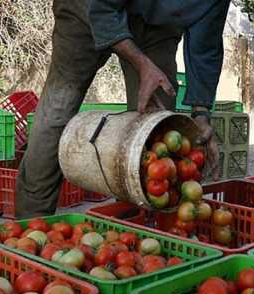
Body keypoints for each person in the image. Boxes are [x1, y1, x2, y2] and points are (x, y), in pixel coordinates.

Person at [15, 0, 230, 219]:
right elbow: (102, 10)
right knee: (57, 110)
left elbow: (206, 46)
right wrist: (142, 64)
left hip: (154, 27)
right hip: (87, 8)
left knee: (156, 124)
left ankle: (133, 226)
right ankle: (30, 224)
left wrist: (201, 114)